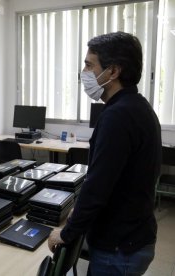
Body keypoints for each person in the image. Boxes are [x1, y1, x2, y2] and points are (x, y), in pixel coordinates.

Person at [48, 32, 162, 275]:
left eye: (89, 65)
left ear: (113, 71)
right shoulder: (138, 107)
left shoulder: (117, 116)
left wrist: (66, 232)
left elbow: (98, 187)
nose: (84, 72)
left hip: (119, 248)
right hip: (135, 235)